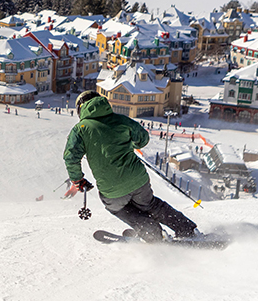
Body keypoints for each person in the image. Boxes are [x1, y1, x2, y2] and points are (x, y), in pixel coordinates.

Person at [63, 91, 197, 242]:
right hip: (138, 179)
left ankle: (152, 232)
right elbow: (143, 138)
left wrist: (78, 180)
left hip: (111, 188)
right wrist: (130, 143)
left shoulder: (80, 129)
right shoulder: (121, 120)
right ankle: (186, 228)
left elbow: (70, 157)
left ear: (81, 108)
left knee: (120, 208)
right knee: (151, 205)